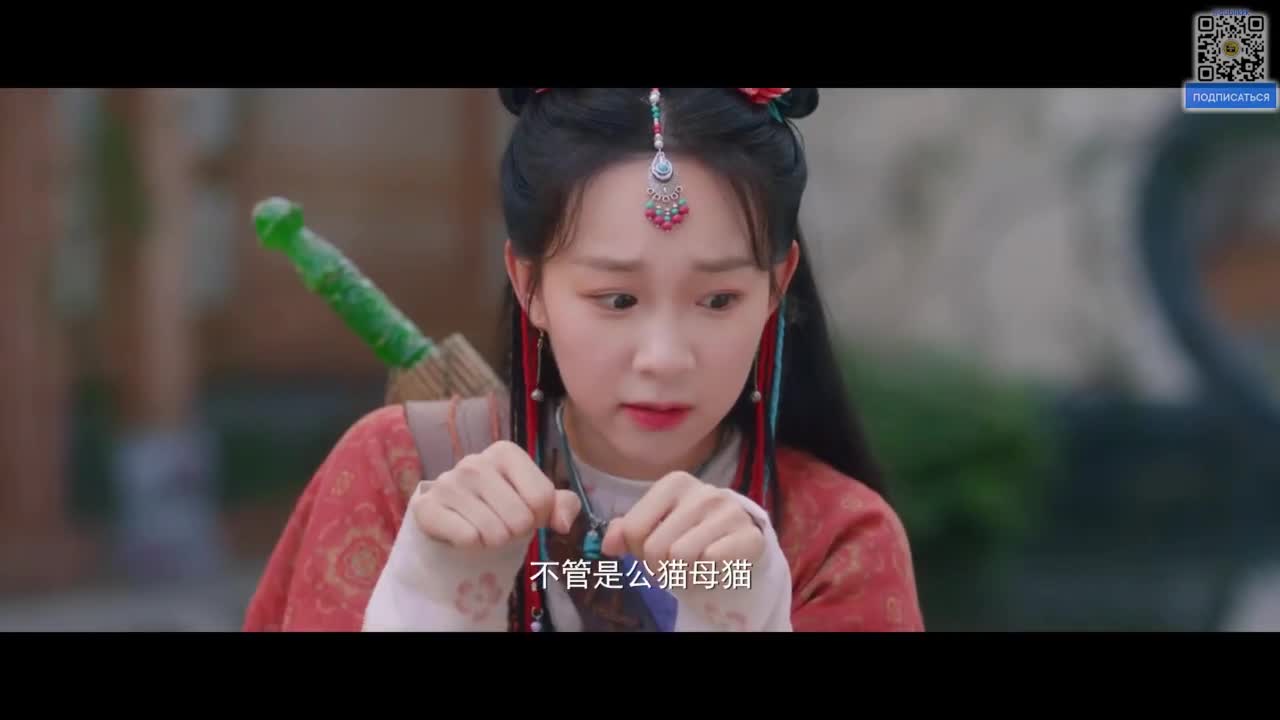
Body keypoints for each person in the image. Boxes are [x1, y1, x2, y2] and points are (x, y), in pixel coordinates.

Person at [242, 88, 924, 632]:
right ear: (529, 284)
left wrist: (742, 614)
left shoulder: (837, 540)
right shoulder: (400, 471)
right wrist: (433, 599)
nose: (664, 358)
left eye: (718, 300)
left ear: (777, 286)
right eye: (617, 298)